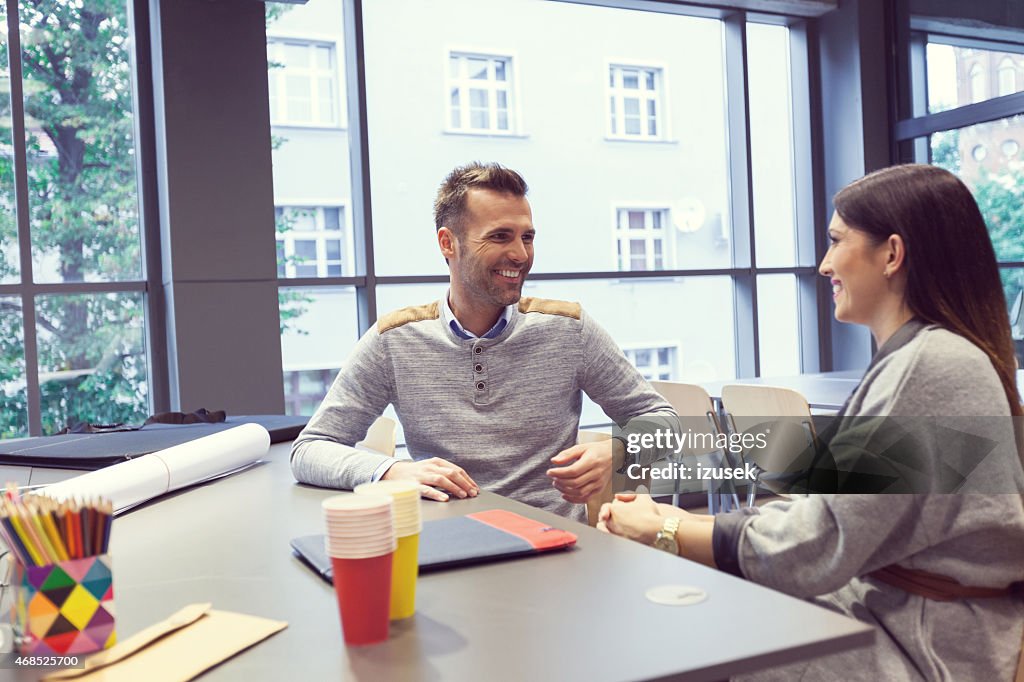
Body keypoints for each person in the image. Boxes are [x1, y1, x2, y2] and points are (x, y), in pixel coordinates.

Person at [600, 164, 1024, 680]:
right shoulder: (926, 359)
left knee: (676, 637)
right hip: (893, 617)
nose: (824, 265)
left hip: (917, 646)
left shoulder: (934, 365)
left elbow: (821, 542)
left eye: (836, 241)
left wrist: (669, 527)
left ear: (892, 254)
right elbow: (829, 520)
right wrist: (680, 525)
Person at [290, 162, 674, 521]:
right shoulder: (394, 341)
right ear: (448, 243)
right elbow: (310, 450)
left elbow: (668, 425)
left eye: (528, 237)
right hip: (450, 543)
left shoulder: (569, 329)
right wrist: (391, 470)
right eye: (500, 237)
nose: (521, 254)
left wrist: (619, 449)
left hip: (553, 547)